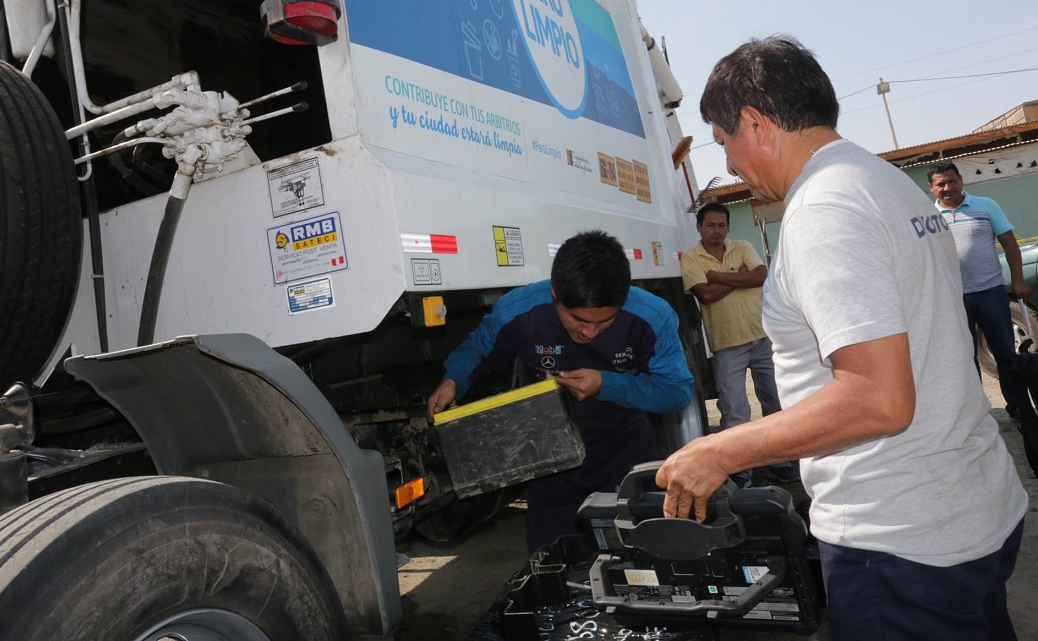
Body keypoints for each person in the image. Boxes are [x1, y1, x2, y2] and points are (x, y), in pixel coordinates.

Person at [655, 36, 1027, 640]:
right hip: (965, 506)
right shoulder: (884, 182)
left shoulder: (825, 209)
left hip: (900, 538)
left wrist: (722, 451)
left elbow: (878, 397)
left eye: (725, 142)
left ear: (755, 121)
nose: (728, 165)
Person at [426, 230, 693, 551]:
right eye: (578, 320)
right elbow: (478, 350)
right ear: (555, 293)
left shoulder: (652, 315)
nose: (589, 332)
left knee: (636, 561)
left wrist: (606, 384)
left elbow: (676, 391)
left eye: (604, 322)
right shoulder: (519, 311)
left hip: (625, 457)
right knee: (553, 558)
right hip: (551, 460)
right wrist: (452, 380)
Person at [681, 202, 798, 487]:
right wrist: (741, 278)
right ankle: (741, 470)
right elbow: (705, 295)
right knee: (734, 409)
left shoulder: (742, 245)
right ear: (699, 227)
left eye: (721, 225)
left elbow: (760, 276)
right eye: (710, 225)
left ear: (728, 227)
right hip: (727, 345)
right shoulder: (691, 258)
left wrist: (719, 276)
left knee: (774, 401)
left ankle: (780, 462)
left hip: (761, 336)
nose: (716, 231)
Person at [927, 162, 1033, 419]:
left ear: (961, 180)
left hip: (991, 292)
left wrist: (1018, 280)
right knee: (964, 357)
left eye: (951, 181)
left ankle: (1018, 408)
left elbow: (1009, 244)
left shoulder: (986, 206)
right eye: (940, 184)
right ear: (931, 188)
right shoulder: (928, 217)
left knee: (1006, 354)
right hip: (953, 297)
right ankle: (978, 413)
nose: (947, 187)